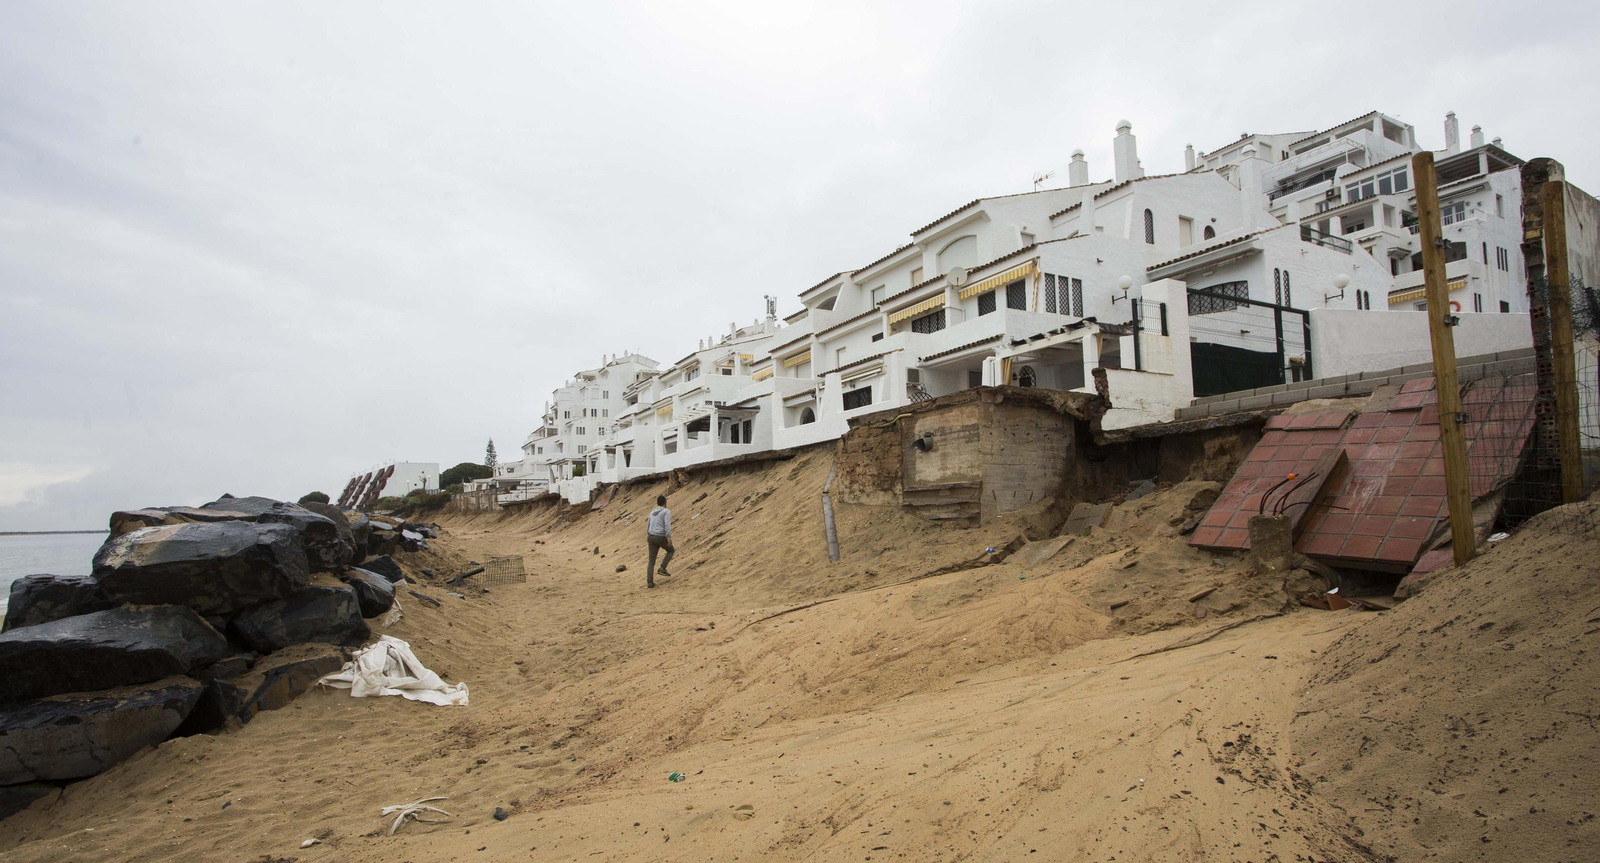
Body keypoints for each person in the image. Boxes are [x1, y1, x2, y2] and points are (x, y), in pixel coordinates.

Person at [646, 494, 673, 588]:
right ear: (665, 503)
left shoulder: (652, 512)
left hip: (651, 536)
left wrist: (648, 535)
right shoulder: (666, 511)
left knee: (651, 560)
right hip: (660, 536)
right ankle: (662, 568)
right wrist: (669, 538)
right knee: (671, 550)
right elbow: (667, 525)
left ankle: (649, 582)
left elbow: (648, 524)